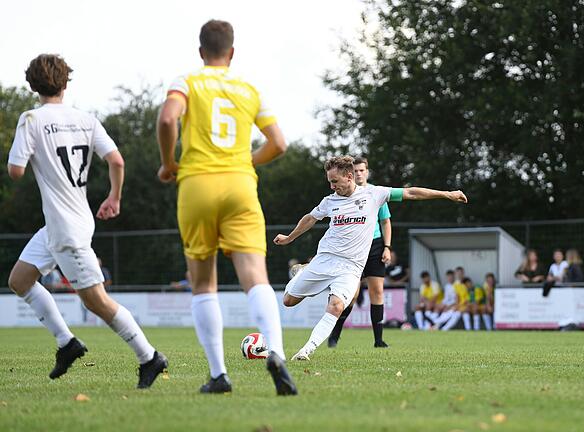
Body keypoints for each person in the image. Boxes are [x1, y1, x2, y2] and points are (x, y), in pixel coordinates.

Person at [6, 54, 167, 388]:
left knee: (96, 301)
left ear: (33, 85)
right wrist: (114, 197)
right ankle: (67, 343)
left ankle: (149, 356)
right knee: (20, 280)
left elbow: (16, 171)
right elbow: (117, 161)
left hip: (66, 229)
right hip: (63, 223)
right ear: (66, 82)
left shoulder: (31, 120)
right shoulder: (86, 119)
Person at [156, 20, 295, 395]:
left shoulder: (187, 80)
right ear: (231, 52)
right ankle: (277, 352)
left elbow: (168, 117)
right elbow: (279, 144)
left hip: (197, 183)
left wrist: (169, 163)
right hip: (240, 184)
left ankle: (219, 375)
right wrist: (247, 160)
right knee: (255, 275)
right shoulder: (249, 88)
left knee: (203, 282)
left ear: (201, 51)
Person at [273, 155, 467, 360]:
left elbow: (411, 192)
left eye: (334, 181)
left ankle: (307, 350)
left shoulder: (374, 194)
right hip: (324, 260)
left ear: (349, 177)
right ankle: (302, 272)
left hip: (350, 268)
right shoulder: (329, 201)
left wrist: (447, 194)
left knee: (337, 305)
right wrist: (289, 238)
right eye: (330, 182)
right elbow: (310, 218)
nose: (331, 186)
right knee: (288, 301)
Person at [328, 157, 393, 347]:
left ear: (367, 172)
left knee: (377, 291)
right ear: (349, 174)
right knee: (352, 294)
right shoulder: (343, 194)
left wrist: (387, 247)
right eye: (355, 171)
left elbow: (385, 221)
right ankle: (334, 335)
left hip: (375, 246)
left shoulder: (376, 193)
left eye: (362, 170)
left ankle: (378, 340)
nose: (358, 174)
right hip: (354, 247)